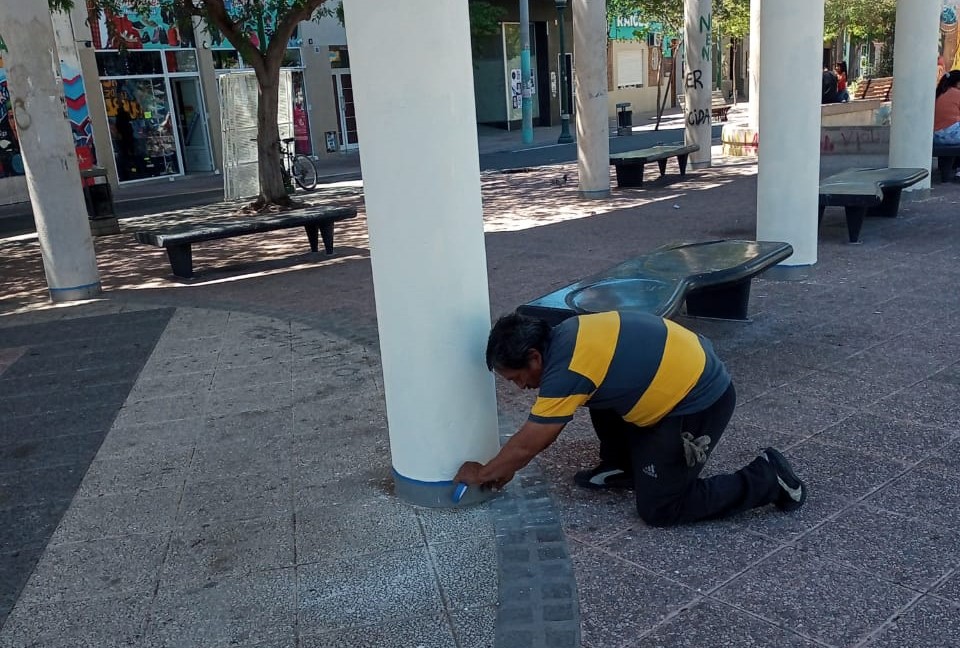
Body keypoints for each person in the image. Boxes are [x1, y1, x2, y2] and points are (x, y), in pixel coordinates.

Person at [455, 311, 808, 527]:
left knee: (662, 508)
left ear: (534, 357)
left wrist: (485, 473)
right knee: (594, 392)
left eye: (516, 378)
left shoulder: (567, 369)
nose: (520, 387)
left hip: (698, 401)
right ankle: (624, 467)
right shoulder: (567, 333)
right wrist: (506, 467)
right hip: (679, 379)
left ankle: (768, 478)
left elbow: (533, 440)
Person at [934, 69, 960, 149]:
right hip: (952, 135)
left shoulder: (939, 93)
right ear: (958, 83)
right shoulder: (957, 93)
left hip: (936, 136)